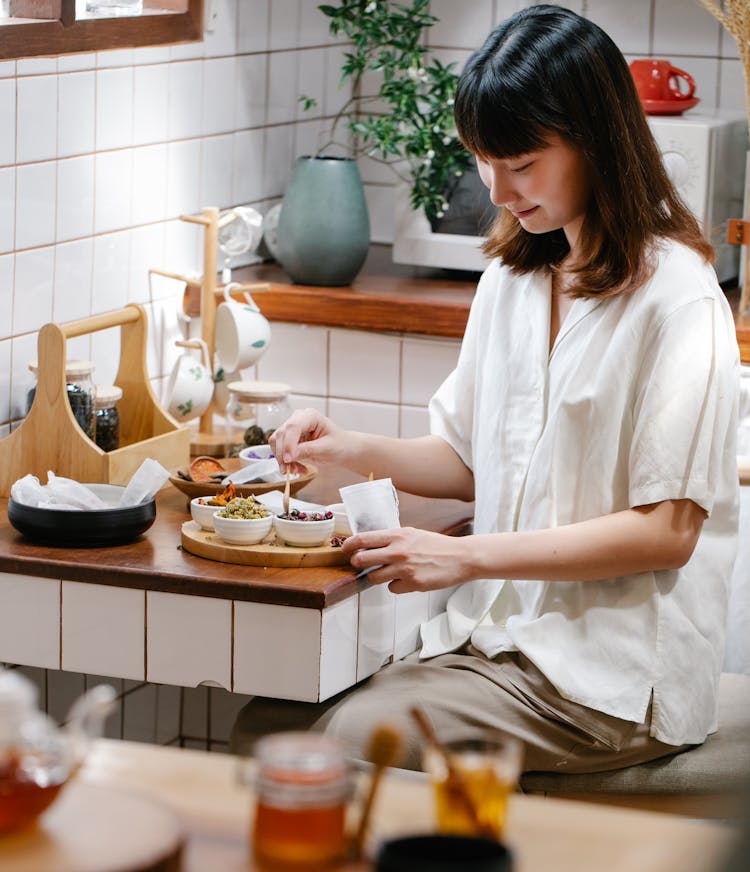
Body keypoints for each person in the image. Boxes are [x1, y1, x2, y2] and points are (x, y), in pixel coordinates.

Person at [233, 4, 739, 771]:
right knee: (264, 720)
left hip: (608, 678)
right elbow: (470, 460)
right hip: (498, 642)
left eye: (522, 162)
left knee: (328, 744)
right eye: (482, 160)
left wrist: (466, 558)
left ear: (597, 141)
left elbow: (666, 531)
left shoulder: (680, 297)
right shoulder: (515, 274)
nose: (498, 189)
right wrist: (349, 448)